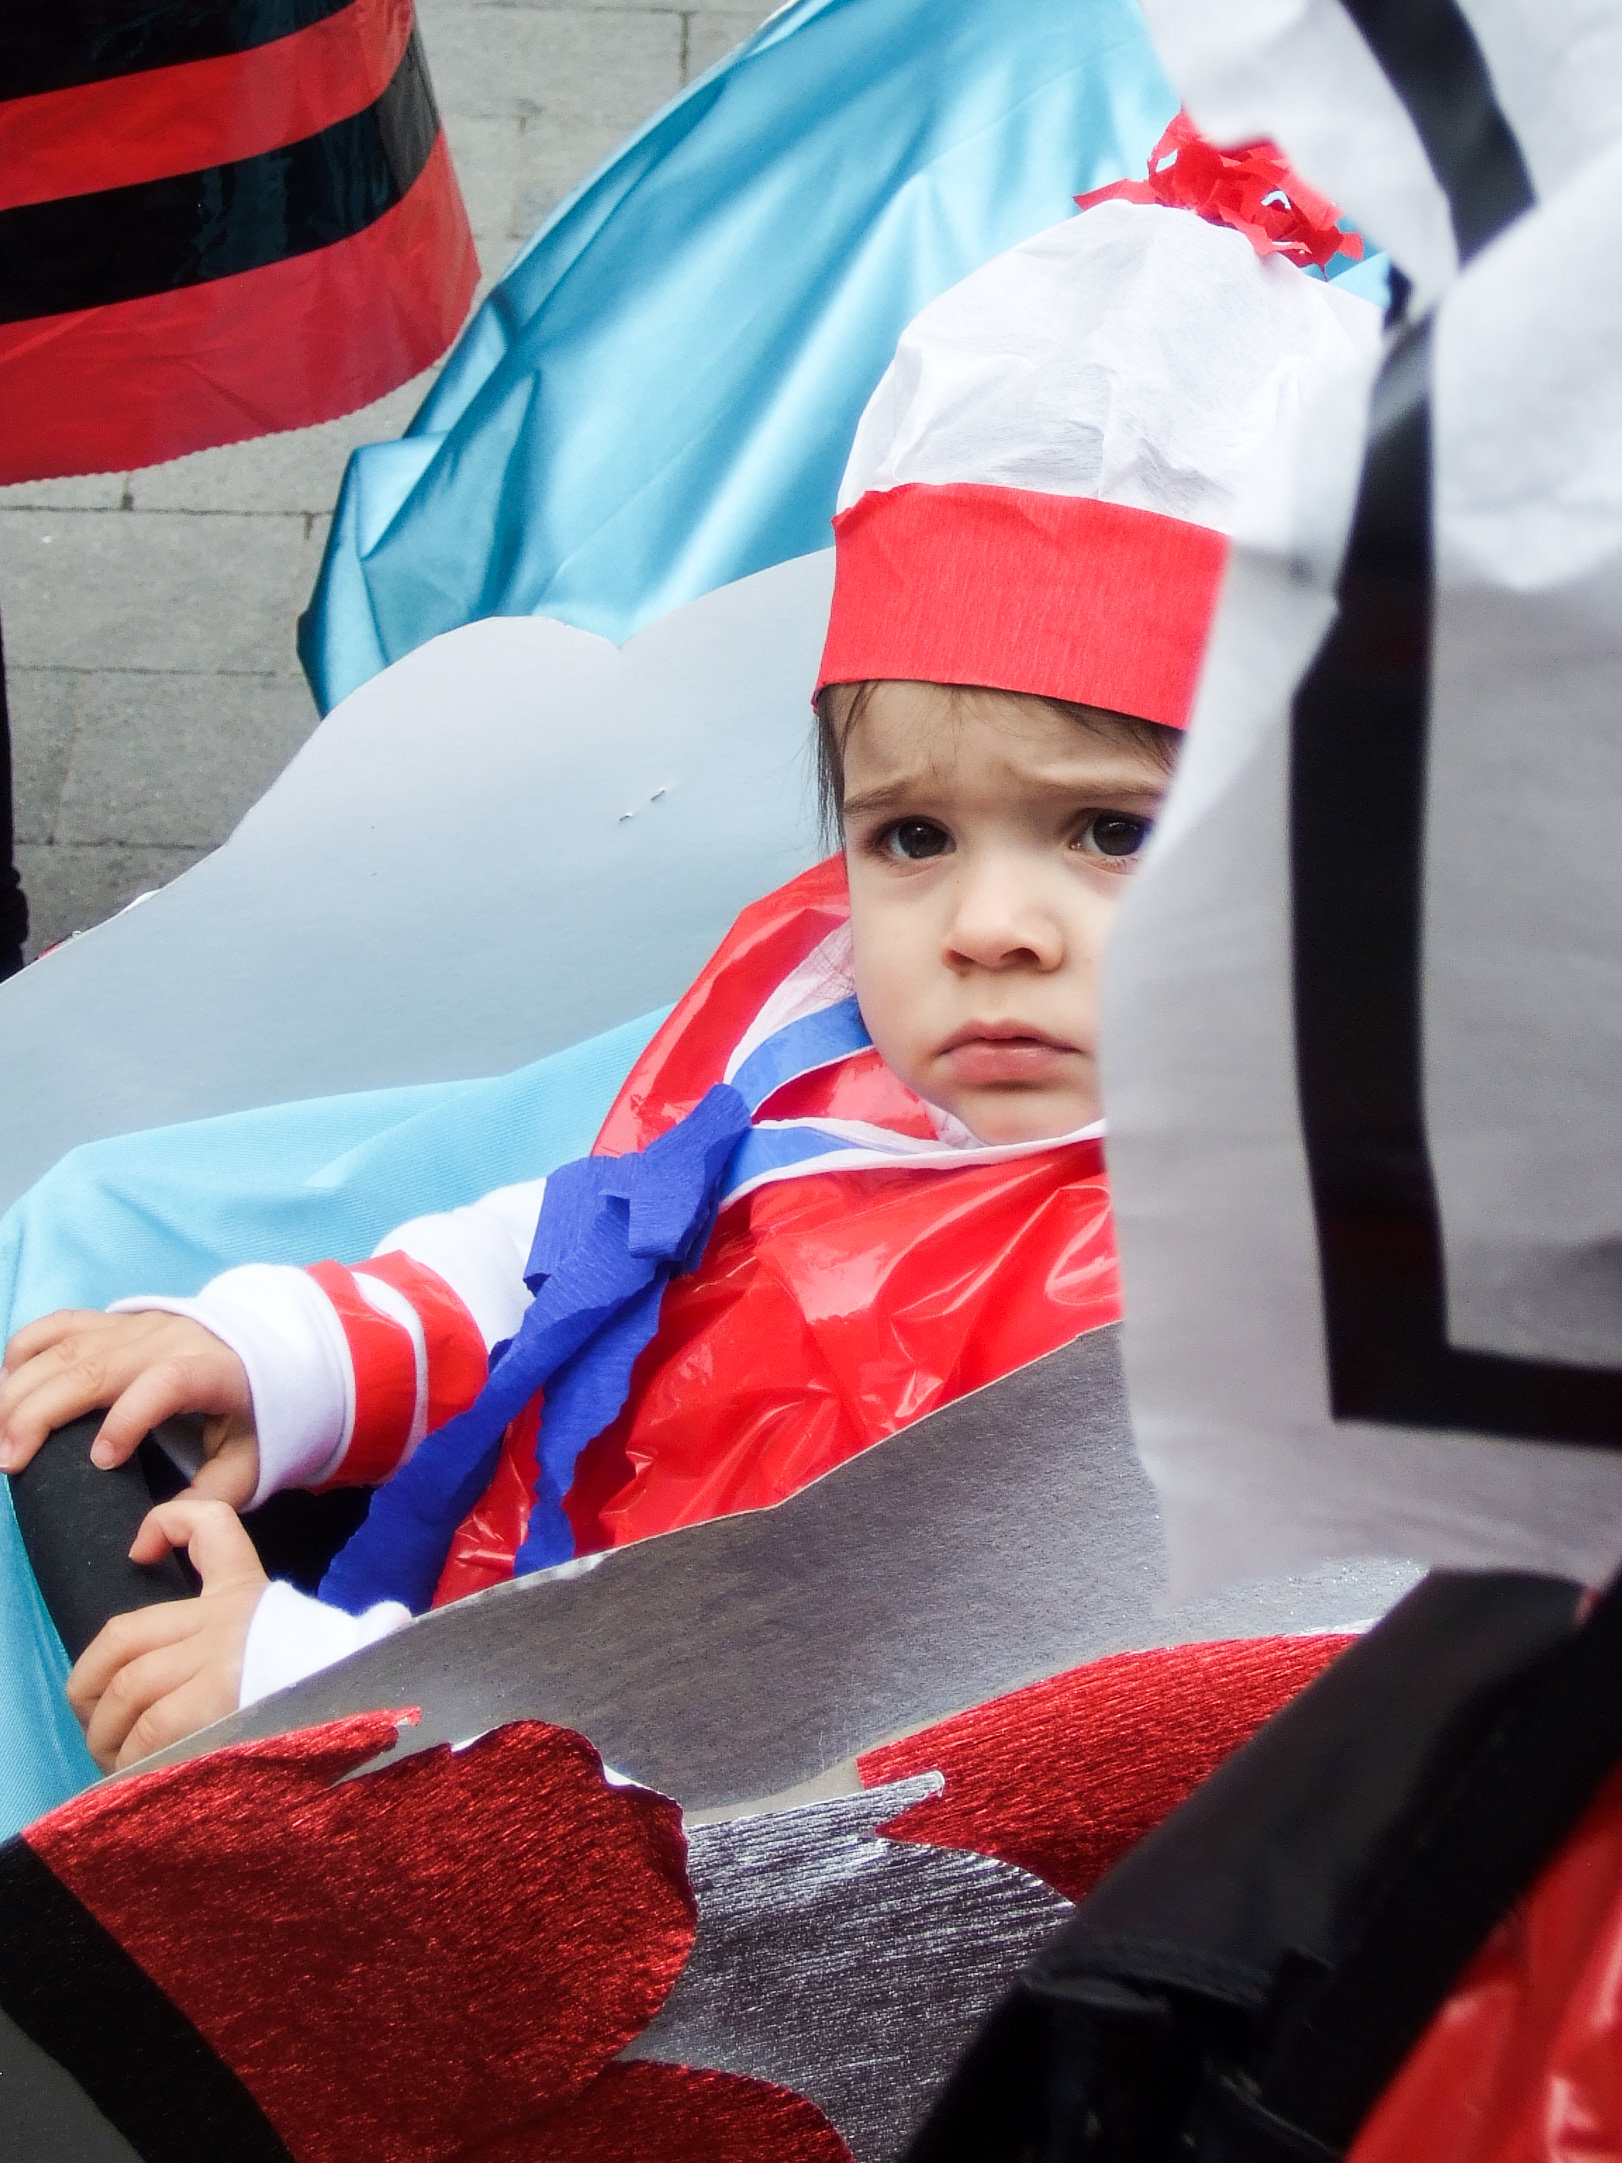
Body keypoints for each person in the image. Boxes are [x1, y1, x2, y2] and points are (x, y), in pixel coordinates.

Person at [0, 141, 1378, 1770]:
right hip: (521, 1648)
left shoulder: (1200, 1321)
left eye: (1110, 832)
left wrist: (320, 1689)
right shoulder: (825, 1010)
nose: (985, 923)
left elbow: (846, 1770)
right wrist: (292, 1360)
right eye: (912, 836)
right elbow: (596, 1251)